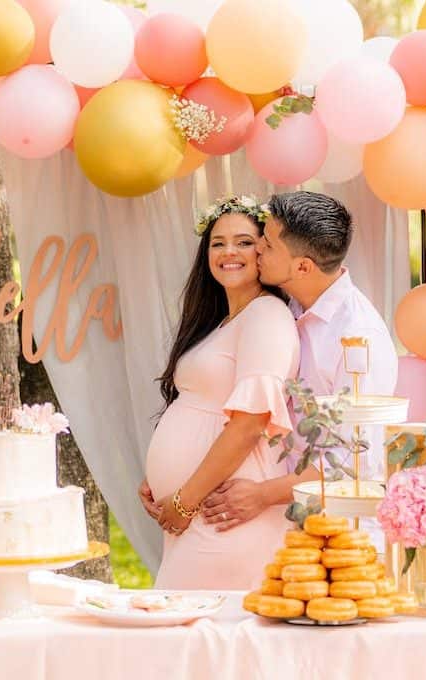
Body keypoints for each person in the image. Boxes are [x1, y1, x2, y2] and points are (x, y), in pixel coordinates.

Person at [201, 190, 399, 542]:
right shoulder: (286, 307)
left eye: (269, 245)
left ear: (303, 267)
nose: (258, 248)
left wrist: (263, 494)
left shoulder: (357, 338)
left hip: (344, 533)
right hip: (289, 525)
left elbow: (355, 463)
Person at [139, 195, 300, 591]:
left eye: (244, 242)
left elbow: (249, 425)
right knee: (191, 636)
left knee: (189, 634)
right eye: (218, 242)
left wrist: (184, 500)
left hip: (219, 511)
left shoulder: (267, 316)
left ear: (264, 251)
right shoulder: (224, 321)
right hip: (194, 508)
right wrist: (160, 482)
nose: (229, 251)